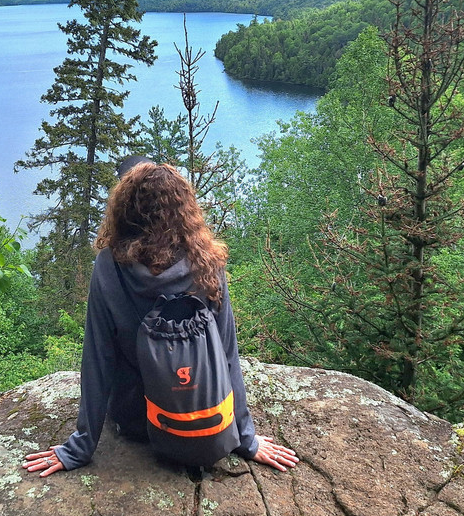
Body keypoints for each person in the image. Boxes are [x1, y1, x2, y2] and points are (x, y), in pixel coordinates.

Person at [23, 160, 298, 477]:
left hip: (140, 421)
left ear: (125, 211)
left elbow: (98, 358)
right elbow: (227, 354)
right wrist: (245, 439)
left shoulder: (109, 266)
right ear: (185, 210)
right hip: (207, 416)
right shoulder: (208, 262)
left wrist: (81, 447)